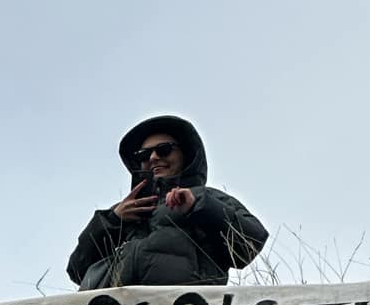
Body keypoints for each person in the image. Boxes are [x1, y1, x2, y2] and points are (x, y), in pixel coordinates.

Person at [67, 115, 268, 290]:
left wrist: (199, 207)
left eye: (164, 150)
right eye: (143, 155)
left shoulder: (205, 197)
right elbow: (77, 270)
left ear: (185, 154)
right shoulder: (122, 211)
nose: (153, 157)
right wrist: (112, 220)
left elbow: (250, 244)